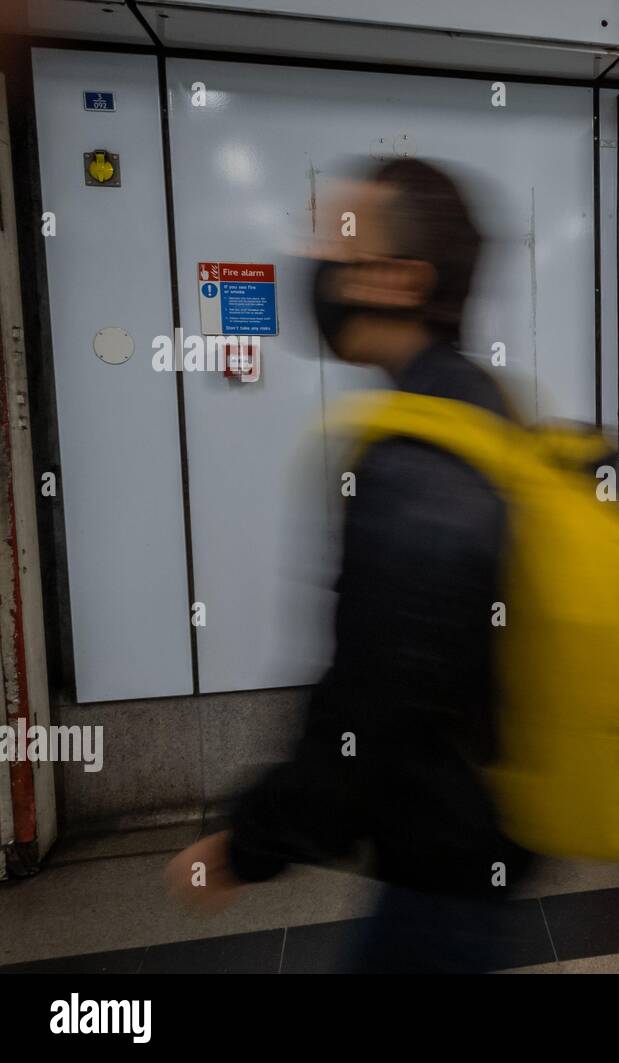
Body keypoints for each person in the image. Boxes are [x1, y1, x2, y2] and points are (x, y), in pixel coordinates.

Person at [164, 158, 531, 973]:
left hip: (442, 862)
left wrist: (248, 844)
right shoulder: (482, 403)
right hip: (463, 842)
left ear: (400, 280)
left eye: (337, 239)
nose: (315, 258)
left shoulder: (415, 457)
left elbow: (374, 704)